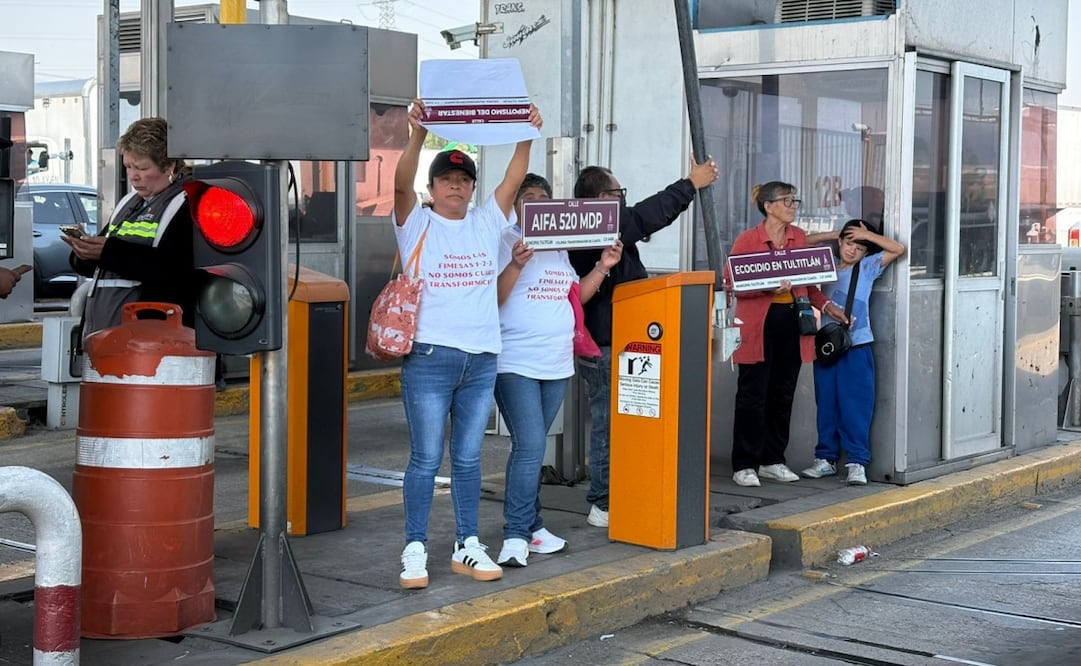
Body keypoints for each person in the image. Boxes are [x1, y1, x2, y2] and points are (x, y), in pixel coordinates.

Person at [394, 98, 542, 590]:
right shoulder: (415, 221)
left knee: (468, 459)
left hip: (481, 360)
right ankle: (414, 547)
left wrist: (526, 133)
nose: (455, 184)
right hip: (430, 358)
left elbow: (514, 181)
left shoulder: (486, 221)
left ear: (473, 187)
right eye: (446, 178)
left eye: (463, 179)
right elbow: (399, 183)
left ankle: (466, 543)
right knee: (424, 459)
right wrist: (417, 134)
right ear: (432, 188)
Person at [567, 157, 719, 527]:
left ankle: (621, 491)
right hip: (605, 343)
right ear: (603, 197)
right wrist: (689, 184)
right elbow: (647, 216)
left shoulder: (607, 230)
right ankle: (603, 501)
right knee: (607, 425)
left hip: (622, 341)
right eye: (618, 193)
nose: (622, 200)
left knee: (623, 422)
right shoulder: (593, 226)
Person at [493, 173, 622, 567]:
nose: (535, 202)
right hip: (514, 360)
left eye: (542, 197)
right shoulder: (502, 239)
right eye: (527, 196)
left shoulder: (559, 247)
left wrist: (603, 266)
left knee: (530, 448)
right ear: (515, 204)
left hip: (556, 361)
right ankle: (515, 533)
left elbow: (573, 298)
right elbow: (493, 296)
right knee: (531, 446)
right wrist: (515, 263)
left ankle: (531, 527)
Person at [725, 181, 850, 488]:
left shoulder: (799, 237)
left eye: (795, 200)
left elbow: (808, 283)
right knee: (752, 394)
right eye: (787, 201)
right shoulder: (748, 240)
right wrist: (769, 286)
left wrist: (829, 306)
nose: (794, 206)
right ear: (768, 206)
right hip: (758, 323)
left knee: (782, 392)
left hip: (793, 321)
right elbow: (732, 283)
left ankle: (772, 459)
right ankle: (745, 464)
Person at [63, 117, 196, 338]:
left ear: (169, 165)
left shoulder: (185, 203)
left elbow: (175, 268)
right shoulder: (129, 203)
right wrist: (84, 252)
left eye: (142, 168)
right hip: (107, 336)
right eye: (128, 166)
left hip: (153, 340)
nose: (133, 176)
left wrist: (107, 252)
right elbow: (103, 264)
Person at [802, 219, 905, 485]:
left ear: (866, 252)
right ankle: (825, 458)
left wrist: (866, 234)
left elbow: (897, 249)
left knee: (855, 405)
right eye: (849, 243)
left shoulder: (867, 268)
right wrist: (837, 233)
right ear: (839, 242)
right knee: (826, 403)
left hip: (856, 346)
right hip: (826, 347)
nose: (853, 250)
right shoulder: (824, 269)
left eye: (860, 247)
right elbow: (800, 243)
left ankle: (857, 461)